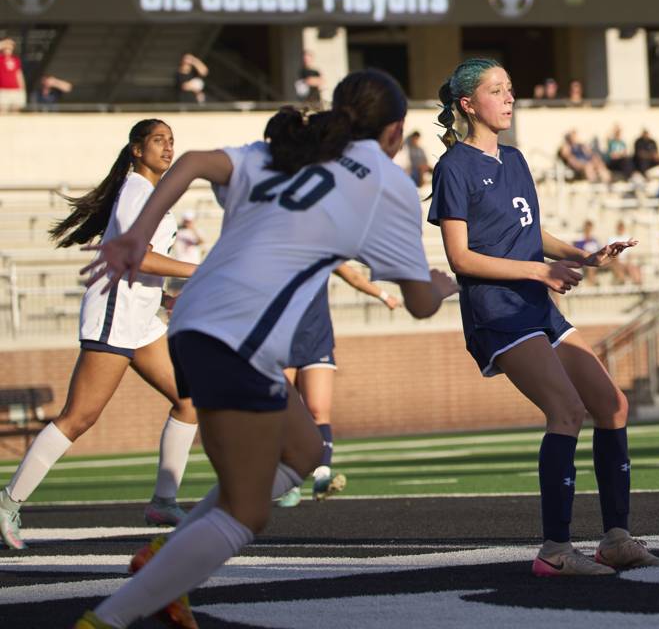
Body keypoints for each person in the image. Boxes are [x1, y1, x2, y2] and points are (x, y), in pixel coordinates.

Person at [74, 70, 457, 629]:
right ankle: (108, 619)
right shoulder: (386, 181)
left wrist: (135, 235)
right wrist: (443, 286)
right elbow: (421, 303)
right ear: (396, 132)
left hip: (200, 320)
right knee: (247, 510)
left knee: (304, 454)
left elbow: (195, 161)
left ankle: (166, 559)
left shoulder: (292, 148)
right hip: (236, 338)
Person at [431, 58, 659, 576]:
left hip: (536, 306)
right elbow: (461, 258)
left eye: (510, 88)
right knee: (566, 411)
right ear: (468, 104)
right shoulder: (453, 167)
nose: (509, 97)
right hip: (496, 310)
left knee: (612, 404)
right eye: (497, 91)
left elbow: (531, 233)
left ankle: (616, 539)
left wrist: (583, 255)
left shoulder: (514, 158)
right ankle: (555, 551)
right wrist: (539, 273)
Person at [1, 120, 200, 552]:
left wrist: (163, 299)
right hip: (114, 315)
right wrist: (200, 272)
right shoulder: (135, 191)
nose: (168, 148)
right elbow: (140, 255)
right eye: (158, 141)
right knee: (80, 417)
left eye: (172, 142)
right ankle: (7, 502)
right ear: (136, 149)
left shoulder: (150, 195)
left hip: (141, 321)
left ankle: (164, 502)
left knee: (189, 400)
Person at [276, 263, 401, 507]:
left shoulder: (326, 250)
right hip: (281, 341)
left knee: (318, 410)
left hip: (317, 340)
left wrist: (384, 295)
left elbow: (353, 276)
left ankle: (322, 478)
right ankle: (290, 482)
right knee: (282, 413)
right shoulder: (279, 251)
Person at [0, 36, 26, 111]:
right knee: (2, 111)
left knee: (16, 112)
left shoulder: (16, 59)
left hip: (16, 90)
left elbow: (19, 75)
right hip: (3, 90)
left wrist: (22, 89)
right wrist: (3, 43)